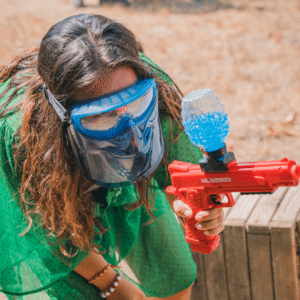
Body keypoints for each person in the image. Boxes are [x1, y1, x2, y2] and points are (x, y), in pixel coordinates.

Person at [0, 14, 224, 300]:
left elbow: (180, 172)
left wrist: (194, 207)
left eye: (135, 103)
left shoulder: (147, 84)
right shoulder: (23, 134)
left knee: (176, 275)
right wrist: (112, 284)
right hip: (62, 190)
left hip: (129, 179)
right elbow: (52, 228)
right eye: (103, 114)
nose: (129, 130)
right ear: (63, 115)